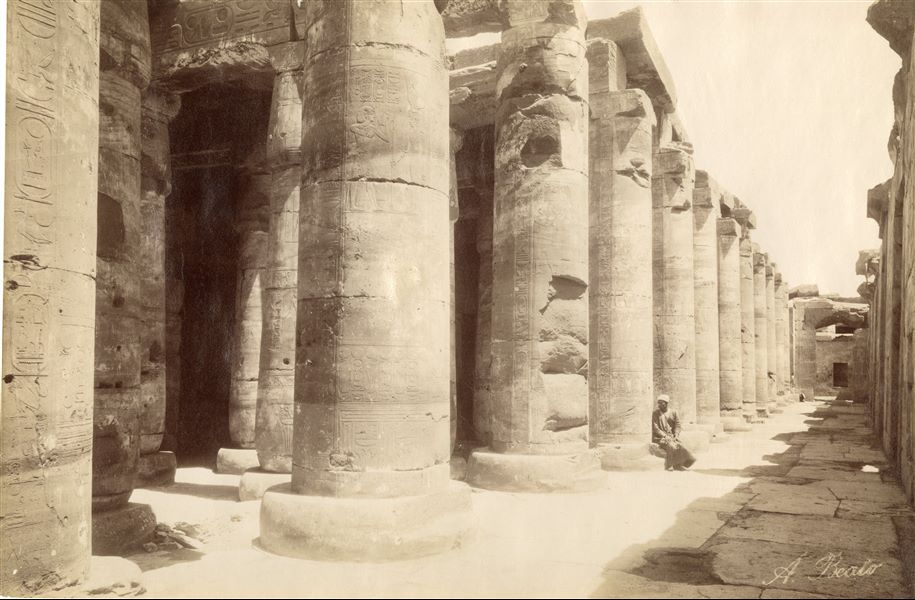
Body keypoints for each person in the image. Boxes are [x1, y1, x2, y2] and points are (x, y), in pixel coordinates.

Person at [652, 395, 697, 471]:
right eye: (658, 403)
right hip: (659, 437)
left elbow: (678, 425)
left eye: (661, 403)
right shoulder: (655, 413)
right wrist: (665, 436)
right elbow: (655, 428)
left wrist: (676, 435)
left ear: (666, 404)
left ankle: (679, 465)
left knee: (680, 445)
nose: (659, 405)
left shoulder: (673, 412)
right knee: (671, 445)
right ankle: (669, 465)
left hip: (671, 436)